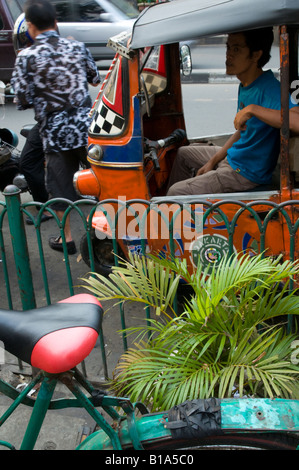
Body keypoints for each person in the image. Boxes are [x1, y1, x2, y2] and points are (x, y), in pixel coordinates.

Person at [11, 0, 101, 254]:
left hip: (55, 133)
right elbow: (94, 78)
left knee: (60, 187)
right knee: (101, 180)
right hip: (85, 128)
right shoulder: (76, 46)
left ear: (30, 27)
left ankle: (67, 238)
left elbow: (22, 101)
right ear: (56, 23)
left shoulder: (26, 57)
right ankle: (110, 229)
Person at [167, 28, 299, 196]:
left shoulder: (270, 89)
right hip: (233, 159)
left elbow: (296, 121)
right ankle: (178, 210)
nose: (228, 55)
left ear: (256, 55)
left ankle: (172, 212)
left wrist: (252, 109)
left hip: (244, 173)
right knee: (183, 154)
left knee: (175, 192)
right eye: (228, 48)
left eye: (236, 49)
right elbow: (242, 132)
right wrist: (212, 161)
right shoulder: (245, 84)